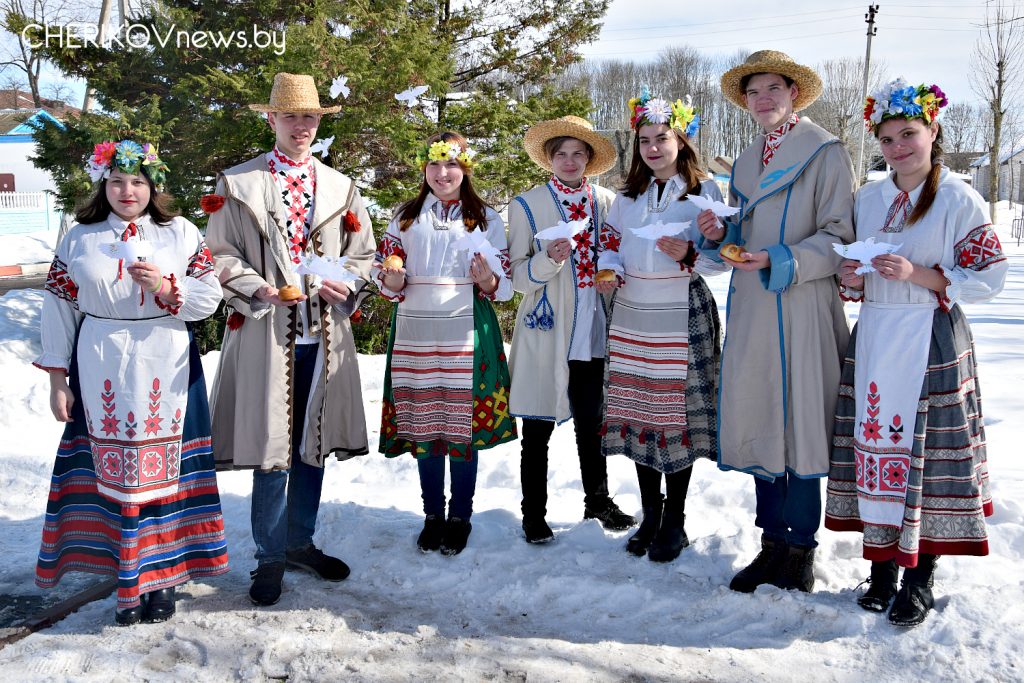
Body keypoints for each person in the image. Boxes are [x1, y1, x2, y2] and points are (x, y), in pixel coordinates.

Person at [825, 79, 1007, 627]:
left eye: (909, 133)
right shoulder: (869, 196)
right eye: (887, 138)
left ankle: (920, 576)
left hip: (930, 337)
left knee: (921, 454)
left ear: (933, 132)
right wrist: (849, 274)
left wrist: (921, 274)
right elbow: (853, 277)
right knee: (876, 448)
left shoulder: (958, 197)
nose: (899, 147)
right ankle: (881, 568)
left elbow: (992, 276)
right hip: (878, 335)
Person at [34, 140, 229, 626]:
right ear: (104, 183)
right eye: (118, 181)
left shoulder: (179, 232)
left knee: (164, 472)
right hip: (100, 359)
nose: (127, 190)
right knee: (113, 472)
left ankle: (161, 580)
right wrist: (58, 378)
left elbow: (209, 298)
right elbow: (58, 309)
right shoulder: (81, 236)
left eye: (138, 181)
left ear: (153, 186)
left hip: (167, 361)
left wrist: (163, 287)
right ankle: (125, 575)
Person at [205, 73, 376, 606]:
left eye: (309, 117)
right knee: (271, 449)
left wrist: (342, 281)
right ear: (270, 119)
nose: (301, 126)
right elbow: (219, 253)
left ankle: (300, 541)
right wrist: (259, 287)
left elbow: (362, 254)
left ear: (318, 122)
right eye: (291, 116)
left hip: (323, 338)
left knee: (311, 446)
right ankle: (269, 556)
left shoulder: (341, 187)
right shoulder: (237, 183)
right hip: (265, 334)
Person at [699, 51, 855, 591]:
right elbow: (738, 239)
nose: (763, 99)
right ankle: (770, 542)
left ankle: (801, 548)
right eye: (753, 92)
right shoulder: (744, 163)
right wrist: (720, 238)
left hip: (803, 304)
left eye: (772, 89)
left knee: (802, 419)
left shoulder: (825, 152)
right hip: (753, 307)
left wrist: (782, 259)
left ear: (794, 93)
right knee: (761, 415)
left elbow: (840, 237)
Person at [596, 93, 727, 562]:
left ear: (681, 139)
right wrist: (609, 268)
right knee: (639, 412)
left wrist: (691, 253)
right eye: (645, 140)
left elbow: (720, 260)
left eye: (662, 138)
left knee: (675, 417)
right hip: (632, 311)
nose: (653, 148)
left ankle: (676, 520)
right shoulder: (626, 198)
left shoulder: (705, 192)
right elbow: (609, 247)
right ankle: (650, 513)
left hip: (680, 309)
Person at [376, 132, 517, 556]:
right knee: (425, 423)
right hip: (416, 329)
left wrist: (487, 280)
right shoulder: (405, 216)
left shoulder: (487, 218)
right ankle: (432, 514)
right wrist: (392, 280)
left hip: (466, 328)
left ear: (465, 168)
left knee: (461, 425)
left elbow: (505, 286)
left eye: (451, 165)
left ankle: (461, 516)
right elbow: (385, 272)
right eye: (434, 165)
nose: (442, 173)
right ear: (424, 168)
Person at [507, 115, 636, 544]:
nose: (569, 160)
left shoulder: (606, 202)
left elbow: (619, 257)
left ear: (589, 159)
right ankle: (533, 514)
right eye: (560, 153)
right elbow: (517, 279)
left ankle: (596, 500)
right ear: (548, 158)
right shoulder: (526, 205)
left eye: (577, 153)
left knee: (591, 421)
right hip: (546, 328)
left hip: (593, 327)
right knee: (538, 427)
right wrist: (550, 260)